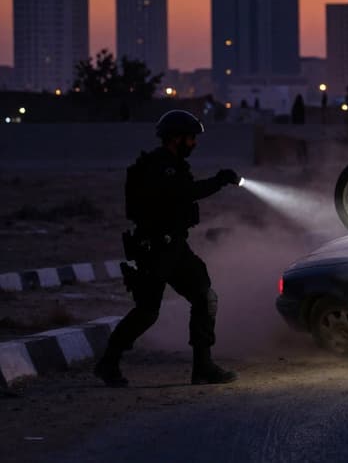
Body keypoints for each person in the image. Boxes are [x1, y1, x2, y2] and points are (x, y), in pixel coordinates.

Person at [93, 110, 241, 387]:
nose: (194, 143)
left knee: (204, 296)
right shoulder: (161, 166)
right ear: (175, 138)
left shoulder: (172, 164)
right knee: (147, 312)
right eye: (190, 138)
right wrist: (219, 181)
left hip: (173, 246)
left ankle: (203, 366)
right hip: (156, 248)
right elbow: (185, 193)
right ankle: (108, 362)